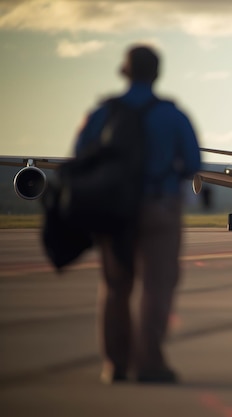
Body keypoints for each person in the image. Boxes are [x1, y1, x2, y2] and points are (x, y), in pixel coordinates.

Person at [74, 44, 201, 384]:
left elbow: (79, 158)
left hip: (115, 211)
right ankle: (150, 364)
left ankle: (114, 366)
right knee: (156, 287)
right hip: (158, 207)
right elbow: (193, 164)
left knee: (115, 286)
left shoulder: (102, 113)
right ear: (157, 73)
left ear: (124, 71)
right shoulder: (172, 115)